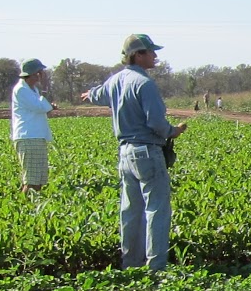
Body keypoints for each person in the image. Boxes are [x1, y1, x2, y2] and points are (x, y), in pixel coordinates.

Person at [79, 34, 187, 272]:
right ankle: (156, 268)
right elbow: (156, 123)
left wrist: (89, 94)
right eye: (150, 51)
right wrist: (173, 131)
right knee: (157, 209)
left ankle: (130, 264)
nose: (155, 56)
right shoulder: (144, 84)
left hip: (125, 154)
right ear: (138, 55)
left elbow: (98, 94)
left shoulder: (116, 80)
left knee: (130, 210)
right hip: (147, 152)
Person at [10, 58, 57, 193]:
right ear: (32, 73)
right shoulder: (21, 90)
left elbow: (41, 107)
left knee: (38, 179)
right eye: (39, 72)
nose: (41, 75)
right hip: (28, 136)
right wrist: (48, 104)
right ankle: (25, 208)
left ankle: (28, 206)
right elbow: (39, 107)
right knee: (32, 181)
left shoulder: (33, 89)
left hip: (36, 136)